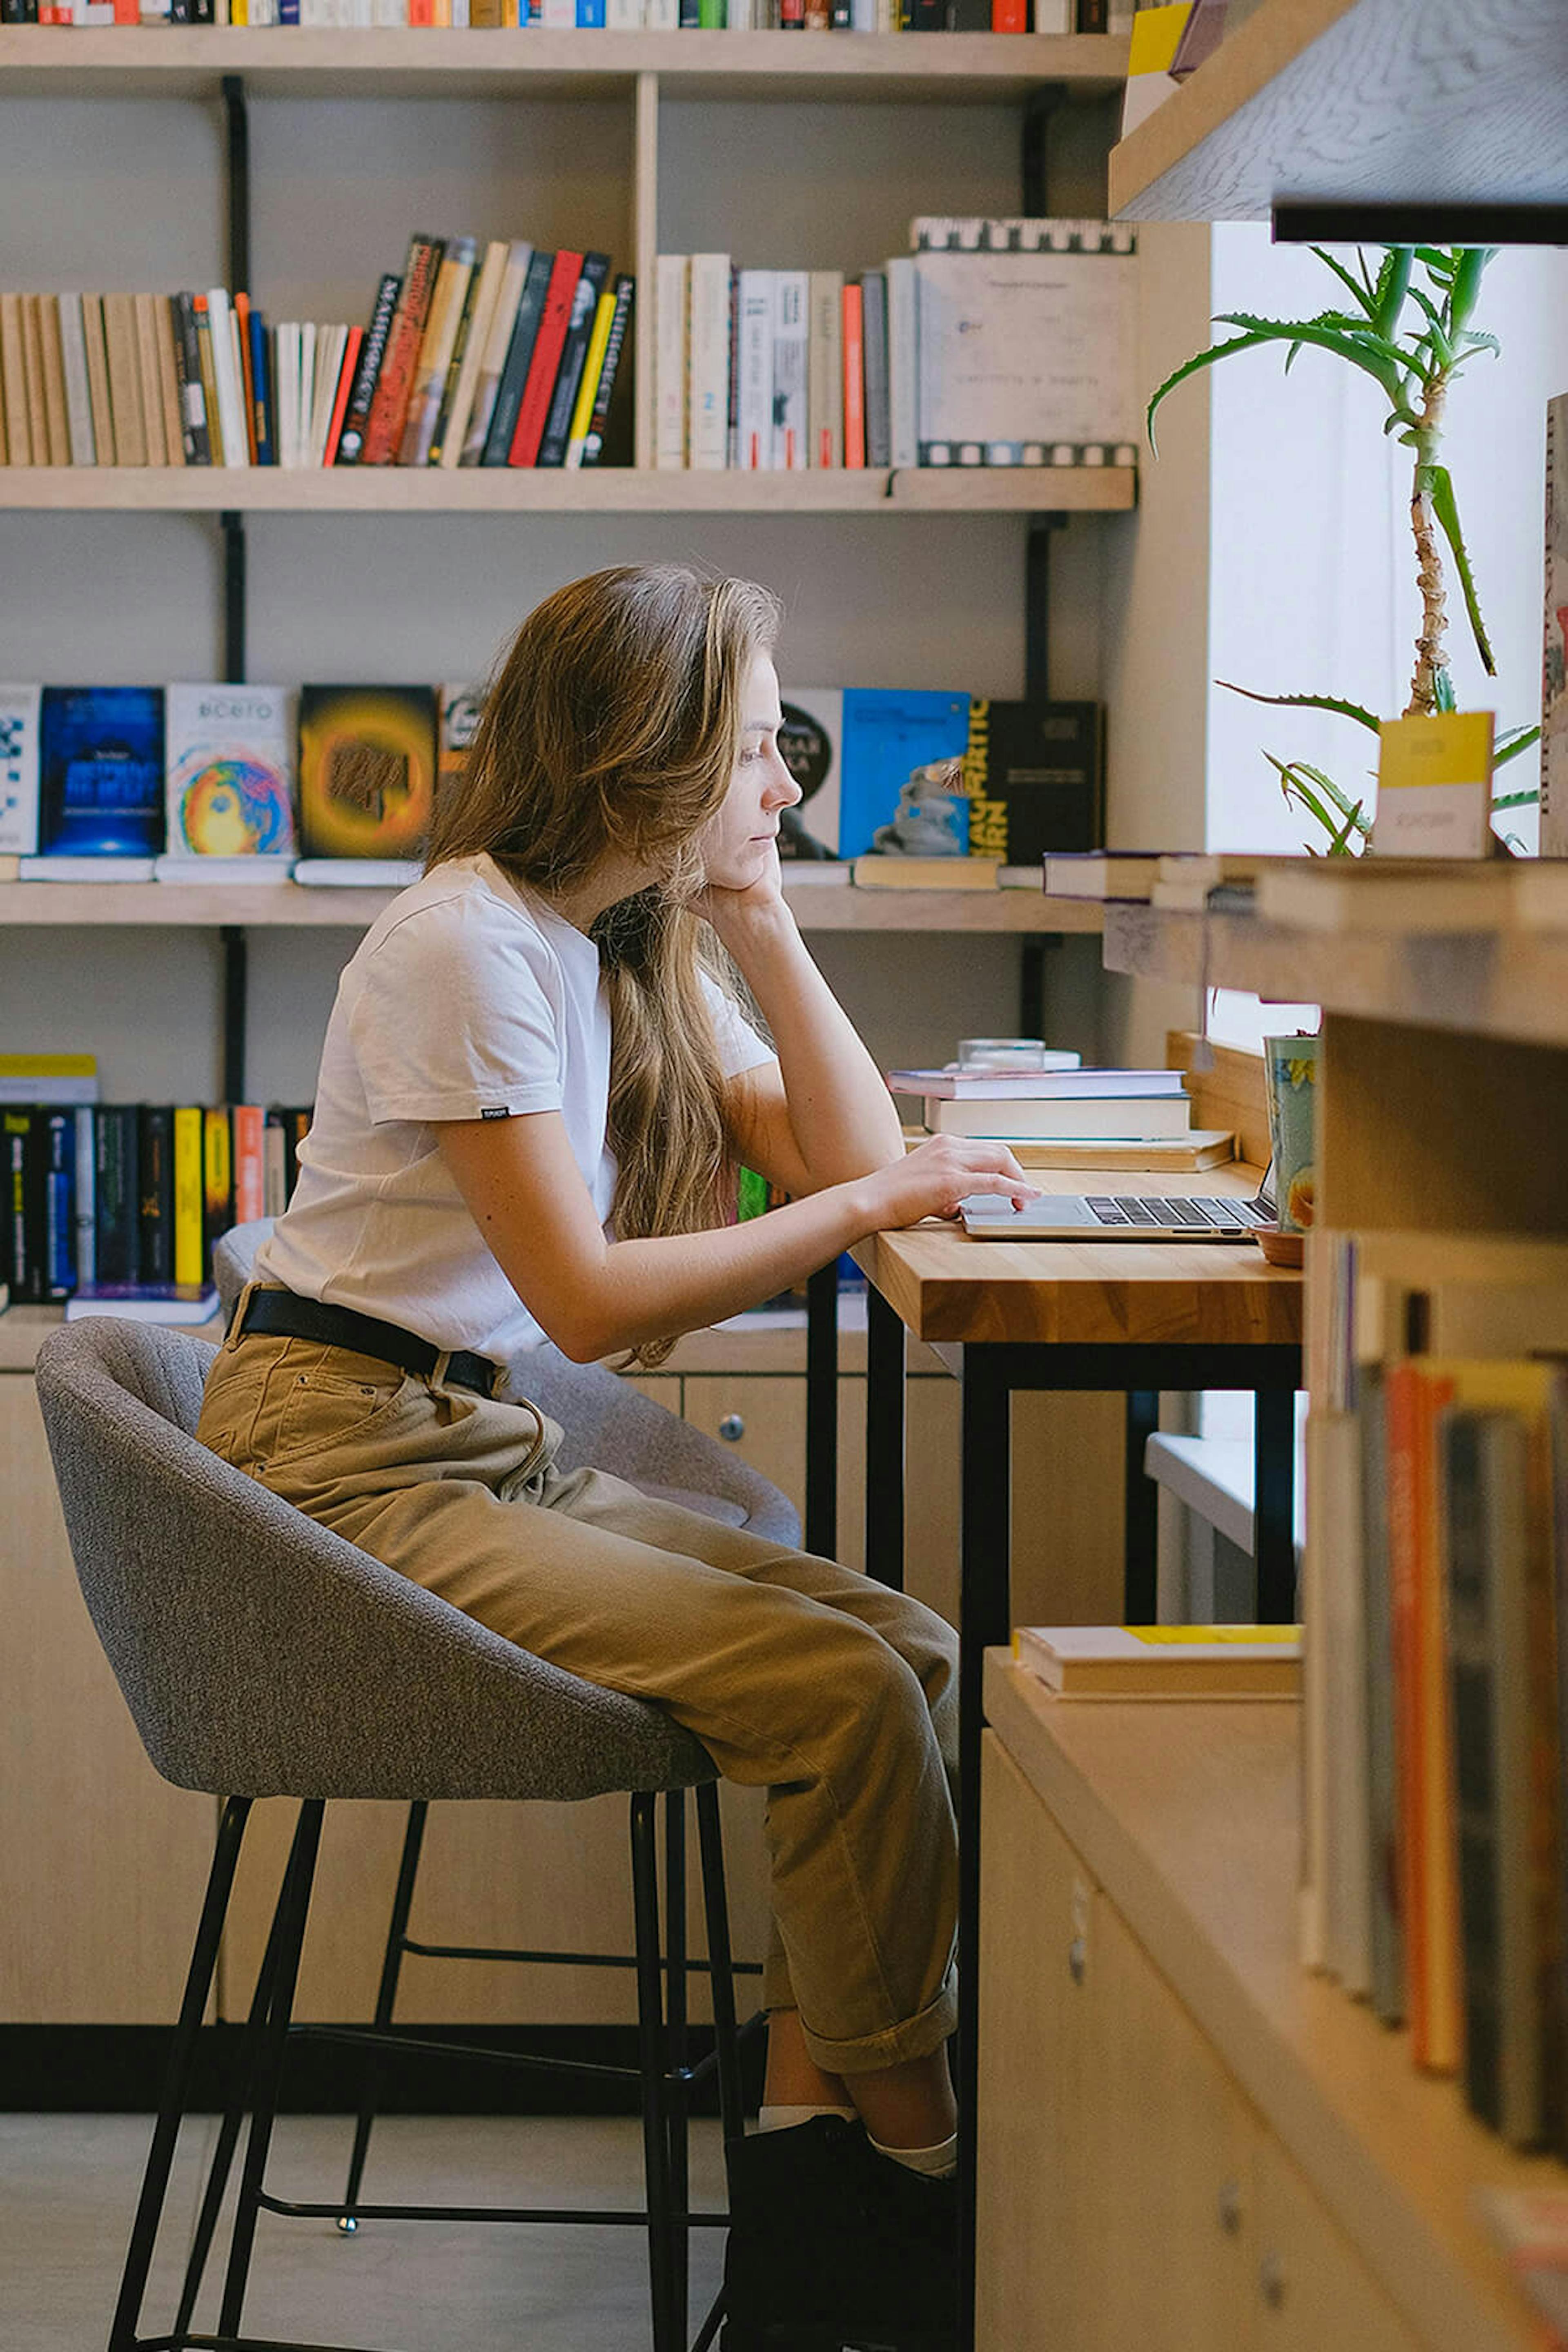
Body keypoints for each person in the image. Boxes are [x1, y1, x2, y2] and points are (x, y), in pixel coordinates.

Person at [196, 564, 1036, 2352]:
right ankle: (917, 2170)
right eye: (752, 757)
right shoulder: (465, 945)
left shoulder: (609, 941)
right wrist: (875, 1202)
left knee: (910, 1652)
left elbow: (841, 1150)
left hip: (458, 1433)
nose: (786, 787)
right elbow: (583, 1302)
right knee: (837, 1695)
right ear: (648, 765)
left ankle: (823, 2175)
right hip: (342, 1453)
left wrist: (765, 915)